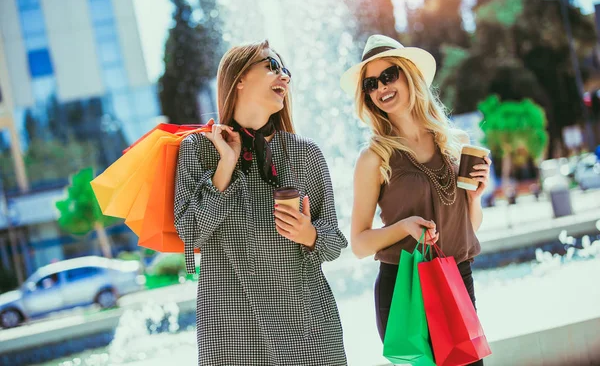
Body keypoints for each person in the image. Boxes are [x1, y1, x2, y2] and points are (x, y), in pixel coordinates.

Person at [174, 40, 348, 366]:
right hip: (234, 335)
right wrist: (226, 166)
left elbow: (334, 243)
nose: (284, 76)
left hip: (308, 329)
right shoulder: (199, 149)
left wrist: (308, 234)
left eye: (286, 70)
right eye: (272, 66)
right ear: (239, 77)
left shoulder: (305, 153)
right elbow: (190, 233)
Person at [340, 35, 491, 365]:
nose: (381, 87)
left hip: (456, 278)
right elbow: (360, 244)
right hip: (404, 288)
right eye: (371, 83)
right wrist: (404, 228)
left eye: (389, 75)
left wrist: (476, 199)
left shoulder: (456, 143)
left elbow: (468, 228)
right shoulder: (373, 158)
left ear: (409, 75)